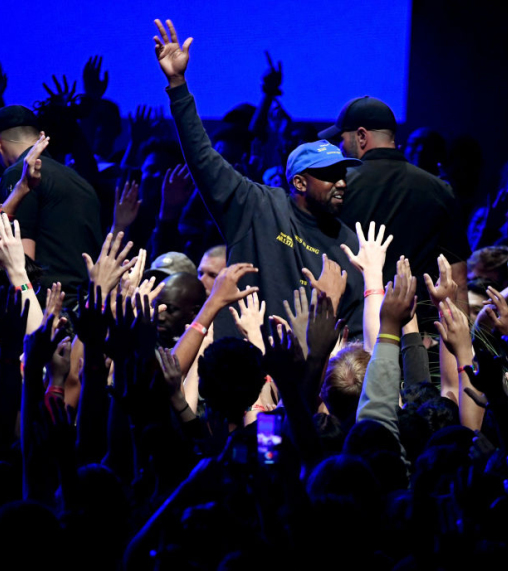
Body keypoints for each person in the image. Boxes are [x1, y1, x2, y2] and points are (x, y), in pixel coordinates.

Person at [153, 19, 364, 338]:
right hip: (236, 371)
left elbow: (357, 334)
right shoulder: (256, 206)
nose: (342, 183)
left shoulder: (351, 247)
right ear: (300, 183)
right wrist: (179, 86)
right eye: (329, 175)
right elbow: (202, 157)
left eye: (342, 174)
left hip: (306, 380)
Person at [318, 96, 470, 311]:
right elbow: (457, 278)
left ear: (361, 136)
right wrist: (461, 342)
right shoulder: (440, 190)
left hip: (353, 328)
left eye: (342, 139)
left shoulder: (338, 186)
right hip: (418, 331)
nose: (340, 148)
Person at [0, 105, 102, 302]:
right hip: (81, 306)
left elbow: (22, 260)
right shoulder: (78, 180)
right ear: (41, 136)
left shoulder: (19, 174)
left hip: (45, 309)